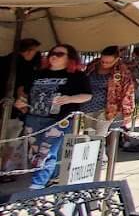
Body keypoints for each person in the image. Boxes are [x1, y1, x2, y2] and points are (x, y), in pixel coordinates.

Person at [16, 44, 92, 188]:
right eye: (52, 53)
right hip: (34, 117)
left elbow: (87, 95)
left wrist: (69, 99)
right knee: (35, 153)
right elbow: (25, 92)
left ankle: (36, 186)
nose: (54, 56)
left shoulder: (77, 75)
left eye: (60, 54)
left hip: (60, 119)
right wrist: (22, 101)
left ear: (70, 58)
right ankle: (48, 179)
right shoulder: (38, 73)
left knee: (46, 152)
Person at [85, 45, 136, 149]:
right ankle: (90, 160)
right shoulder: (93, 65)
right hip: (88, 106)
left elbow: (128, 91)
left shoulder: (122, 71)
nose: (104, 64)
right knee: (89, 134)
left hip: (108, 107)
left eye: (108, 62)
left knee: (100, 135)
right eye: (103, 61)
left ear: (117, 59)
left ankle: (101, 160)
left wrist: (127, 112)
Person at [0, 37, 42, 106]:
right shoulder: (25, 66)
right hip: (9, 102)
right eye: (35, 50)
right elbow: (21, 87)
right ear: (30, 51)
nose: (36, 53)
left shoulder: (5, 59)